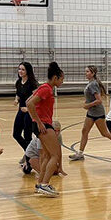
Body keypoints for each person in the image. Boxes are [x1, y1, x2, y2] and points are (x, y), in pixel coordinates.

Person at [26, 62, 65, 197]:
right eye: (61, 79)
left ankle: (40, 184)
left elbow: (27, 102)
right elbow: (30, 104)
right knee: (55, 155)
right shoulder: (46, 88)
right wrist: (39, 122)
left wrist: (36, 121)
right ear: (55, 78)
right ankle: (44, 185)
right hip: (44, 125)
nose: (62, 82)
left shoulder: (44, 87)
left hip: (42, 124)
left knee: (47, 156)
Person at [70, 65, 111, 162]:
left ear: (93, 73)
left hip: (98, 113)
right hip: (91, 113)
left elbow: (99, 100)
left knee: (104, 133)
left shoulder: (93, 84)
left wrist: (87, 105)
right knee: (84, 131)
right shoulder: (91, 83)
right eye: (85, 71)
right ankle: (80, 154)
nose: (85, 73)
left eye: (87, 72)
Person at [13, 62, 38, 157]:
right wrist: (16, 100)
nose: (20, 71)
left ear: (28, 71)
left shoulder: (32, 83)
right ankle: (29, 152)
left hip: (30, 112)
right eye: (19, 69)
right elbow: (18, 94)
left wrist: (28, 109)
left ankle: (29, 156)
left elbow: (37, 98)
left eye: (23, 69)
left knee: (27, 135)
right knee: (16, 134)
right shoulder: (19, 82)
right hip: (21, 110)